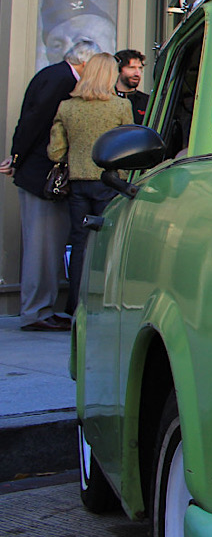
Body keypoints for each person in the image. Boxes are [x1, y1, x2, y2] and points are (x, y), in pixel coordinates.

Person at [0, 41, 96, 331]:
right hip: (42, 176)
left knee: (44, 246)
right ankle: (37, 312)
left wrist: (18, 157)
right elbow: (34, 122)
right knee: (43, 247)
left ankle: (39, 308)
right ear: (85, 62)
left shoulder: (53, 75)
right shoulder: (61, 80)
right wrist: (17, 157)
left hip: (35, 173)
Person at [48, 53, 133, 317]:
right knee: (110, 243)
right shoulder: (120, 108)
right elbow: (130, 148)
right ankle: (106, 304)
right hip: (110, 183)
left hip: (78, 184)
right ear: (110, 75)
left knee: (79, 243)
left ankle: (76, 305)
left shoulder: (67, 107)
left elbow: (55, 152)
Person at [114, 48, 149, 125]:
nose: (137, 73)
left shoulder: (148, 102)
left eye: (140, 68)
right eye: (132, 68)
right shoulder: (107, 99)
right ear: (119, 69)